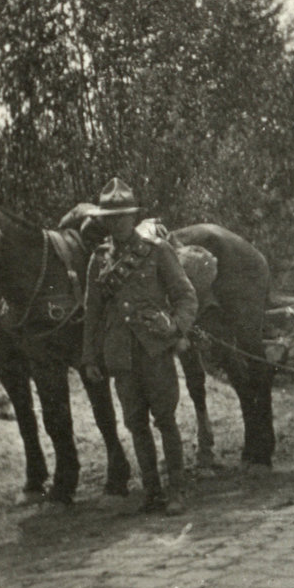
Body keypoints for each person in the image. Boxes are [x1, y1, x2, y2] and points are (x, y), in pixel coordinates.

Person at [81, 178, 198, 515]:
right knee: (135, 423)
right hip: (121, 356)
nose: (117, 223)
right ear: (104, 221)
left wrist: (175, 328)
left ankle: (176, 489)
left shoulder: (157, 251)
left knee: (165, 419)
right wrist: (90, 357)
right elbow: (92, 312)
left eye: (123, 216)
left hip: (155, 351)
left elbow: (185, 296)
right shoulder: (99, 261)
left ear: (133, 218)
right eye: (110, 218)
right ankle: (152, 492)